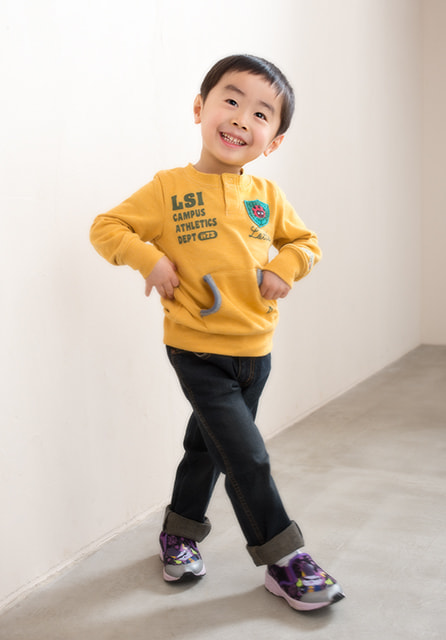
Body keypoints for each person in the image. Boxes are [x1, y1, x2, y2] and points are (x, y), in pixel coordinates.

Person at [90, 54, 345, 612]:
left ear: (274, 141)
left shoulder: (267, 197)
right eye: (230, 100)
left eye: (261, 114)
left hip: (256, 352)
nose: (240, 119)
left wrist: (284, 267)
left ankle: (178, 533)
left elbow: (306, 243)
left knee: (206, 447)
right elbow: (106, 227)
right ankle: (284, 560)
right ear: (200, 108)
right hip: (197, 350)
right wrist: (150, 259)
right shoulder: (168, 189)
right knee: (247, 458)